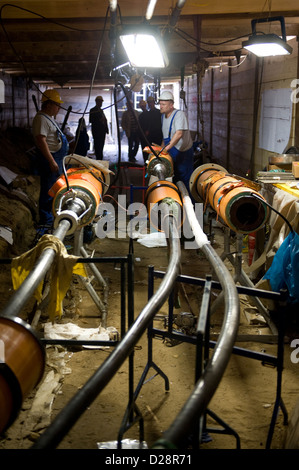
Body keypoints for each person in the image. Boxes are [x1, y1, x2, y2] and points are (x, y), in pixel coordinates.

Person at [32, 88, 69, 228]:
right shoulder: (41, 119)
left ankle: (51, 215)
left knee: (54, 188)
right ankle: (45, 221)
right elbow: (41, 141)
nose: (59, 107)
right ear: (48, 105)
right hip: (50, 159)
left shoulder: (48, 118)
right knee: (48, 190)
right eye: (57, 104)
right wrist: (51, 161)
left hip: (56, 158)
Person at [159, 90, 194, 193]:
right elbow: (165, 137)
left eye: (163, 104)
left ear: (171, 105)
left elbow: (179, 134)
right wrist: (160, 150)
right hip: (172, 151)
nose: (160, 106)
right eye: (160, 104)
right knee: (174, 178)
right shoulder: (163, 117)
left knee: (186, 181)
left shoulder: (179, 115)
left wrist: (165, 149)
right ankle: (177, 203)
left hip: (184, 153)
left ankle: (191, 205)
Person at [89, 96, 109, 160]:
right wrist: (99, 120)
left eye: (101, 102)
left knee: (101, 145)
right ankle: (99, 158)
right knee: (98, 146)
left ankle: (100, 157)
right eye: (100, 102)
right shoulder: (92, 110)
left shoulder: (101, 110)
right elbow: (91, 120)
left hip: (102, 131)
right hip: (97, 131)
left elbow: (105, 120)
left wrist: (106, 129)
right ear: (97, 102)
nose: (101, 103)